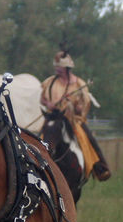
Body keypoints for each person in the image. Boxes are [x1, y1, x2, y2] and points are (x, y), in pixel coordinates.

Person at [41, 50, 111, 181]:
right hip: (54, 119)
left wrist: (76, 107)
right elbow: (43, 99)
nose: (56, 69)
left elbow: (84, 105)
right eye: (56, 66)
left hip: (73, 121)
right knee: (40, 138)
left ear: (67, 68)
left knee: (88, 138)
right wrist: (49, 104)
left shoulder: (79, 84)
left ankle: (100, 166)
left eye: (59, 67)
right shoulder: (50, 82)